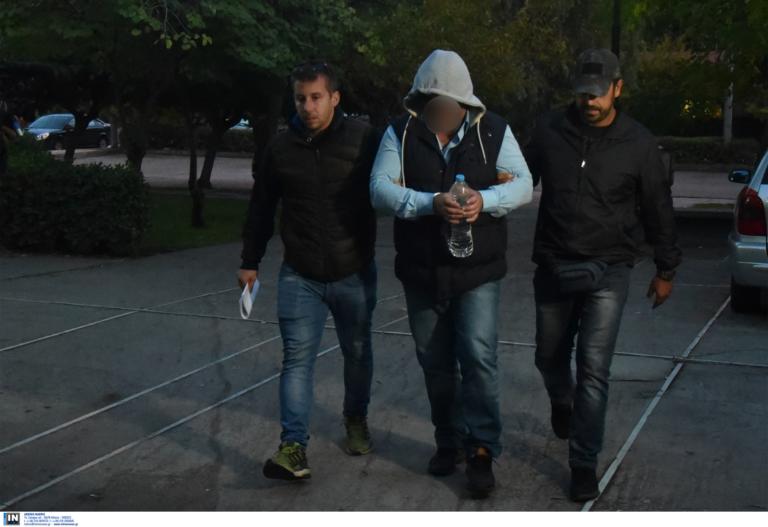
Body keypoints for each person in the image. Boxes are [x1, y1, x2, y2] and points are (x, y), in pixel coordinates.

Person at [370, 49, 533, 498]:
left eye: (448, 104)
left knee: (478, 357)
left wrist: (485, 200)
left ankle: (482, 449)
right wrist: (428, 202)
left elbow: (523, 184)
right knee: (435, 362)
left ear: (465, 103)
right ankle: (450, 440)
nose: (439, 111)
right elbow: (379, 189)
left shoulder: (493, 130)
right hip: (422, 269)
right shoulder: (401, 133)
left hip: (478, 270)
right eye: (431, 103)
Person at [524, 48, 682, 502]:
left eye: (597, 93)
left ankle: (583, 463)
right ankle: (562, 401)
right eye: (582, 93)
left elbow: (658, 207)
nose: (589, 102)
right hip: (554, 263)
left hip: (609, 270)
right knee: (548, 358)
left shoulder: (639, 144)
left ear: (618, 88)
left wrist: (666, 267)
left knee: (593, 369)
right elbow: (517, 180)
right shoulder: (549, 130)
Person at [239, 62, 380, 481]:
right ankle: (293, 447)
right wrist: (250, 260)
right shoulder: (281, 147)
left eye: (316, 97)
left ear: (335, 97)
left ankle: (355, 419)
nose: (308, 106)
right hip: (300, 273)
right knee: (296, 359)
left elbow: (394, 186)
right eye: (300, 98)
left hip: (354, 269)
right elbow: (262, 206)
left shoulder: (364, 139)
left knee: (357, 353)